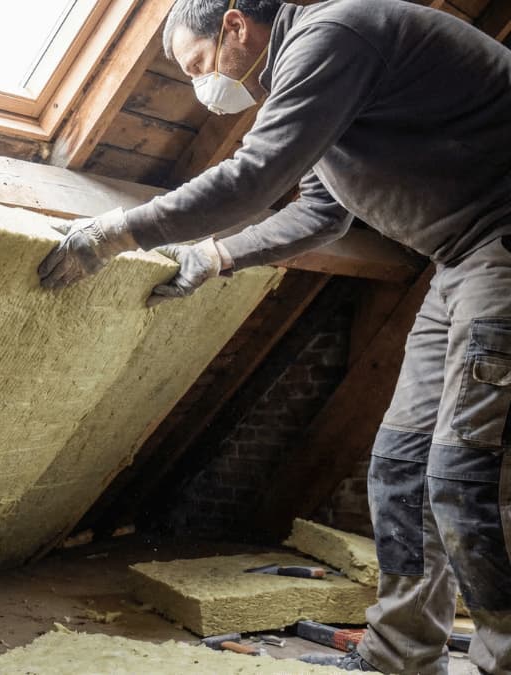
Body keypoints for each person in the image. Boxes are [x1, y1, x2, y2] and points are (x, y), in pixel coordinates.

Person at [37, 0, 511, 672]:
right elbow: (322, 213)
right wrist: (215, 256)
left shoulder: (333, 37)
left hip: (502, 243)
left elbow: (255, 178)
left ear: (234, 25)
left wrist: (118, 231)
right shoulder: (313, 73)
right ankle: (399, 656)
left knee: (463, 473)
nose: (203, 87)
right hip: (463, 258)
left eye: (198, 64)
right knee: (403, 466)